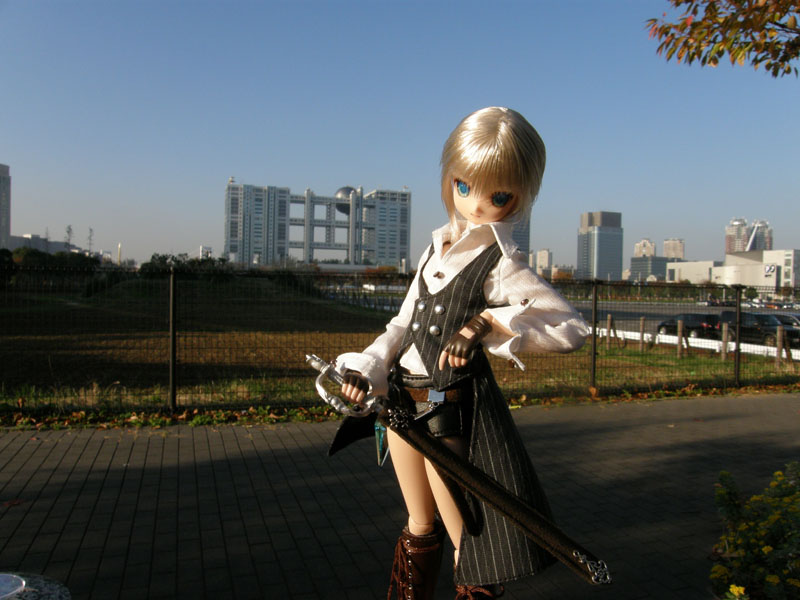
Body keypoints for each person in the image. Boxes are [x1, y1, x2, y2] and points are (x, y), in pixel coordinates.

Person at [336, 106, 590, 600]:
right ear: (450, 178)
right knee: (418, 523)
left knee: (468, 541)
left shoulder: (502, 263)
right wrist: (368, 367)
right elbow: (402, 324)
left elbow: (570, 328)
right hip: (401, 400)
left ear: (519, 196)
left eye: (498, 196)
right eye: (464, 186)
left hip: (447, 408)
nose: (476, 204)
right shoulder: (436, 248)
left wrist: (487, 322)